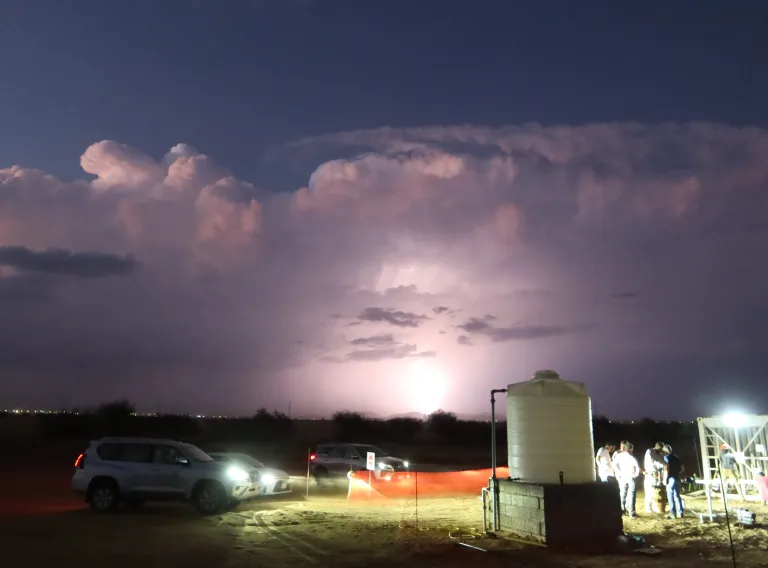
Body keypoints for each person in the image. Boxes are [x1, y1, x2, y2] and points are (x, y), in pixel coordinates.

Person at [613, 441, 641, 518]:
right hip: (630, 476)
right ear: (631, 449)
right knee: (631, 494)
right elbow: (637, 466)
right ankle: (631, 513)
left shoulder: (619, 456)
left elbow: (614, 465)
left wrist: (619, 473)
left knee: (622, 493)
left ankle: (622, 511)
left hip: (622, 476)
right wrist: (635, 475)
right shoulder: (631, 457)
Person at [662, 444, 685, 519]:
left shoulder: (666, 458)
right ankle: (681, 512)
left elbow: (666, 469)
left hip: (670, 479)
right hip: (677, 478)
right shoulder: (677, 458)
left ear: (665, 451)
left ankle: (673, 513)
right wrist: (677, 473)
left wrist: (665, 479)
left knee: (670, 496)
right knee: (677, 496)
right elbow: (682, 469)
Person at [643, 442, 666, 513]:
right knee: (649, 491)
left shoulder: (660, 454)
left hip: (658, 474)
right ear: (656, 447)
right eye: (660, 449)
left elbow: (663, 462)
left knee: (657, 491)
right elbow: (652, 462)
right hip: (651, 473)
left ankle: (656, 507)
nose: (661, 451)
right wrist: (663, 465)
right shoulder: (649, 451)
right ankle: (648, 507)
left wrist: (662, 472)